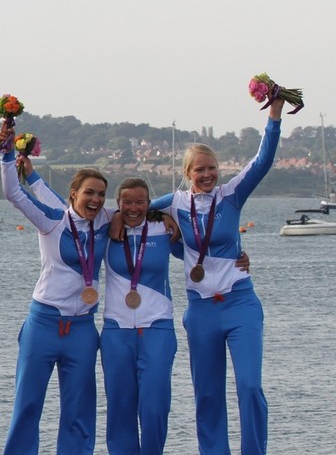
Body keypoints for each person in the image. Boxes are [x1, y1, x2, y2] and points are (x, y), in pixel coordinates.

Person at [147, 98, 283, 455]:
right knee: (207, 395)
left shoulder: (231, 195)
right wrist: (168, 230)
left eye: (212, 169)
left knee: (250, 386)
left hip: (240, 304)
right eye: (199, 171)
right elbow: (135, 210)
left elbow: (262, 161)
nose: (207, 175)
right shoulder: (174, 202)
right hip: (201, 310)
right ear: (188, 173)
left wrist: (274, 113)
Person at [104, 179, 253, 455]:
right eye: (126, 203)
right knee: (120, 407)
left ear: (149, 204)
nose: (133, 208)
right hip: (116, 330)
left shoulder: (165, 229)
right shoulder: (106, 231)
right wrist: (114, 217)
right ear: (118, 204)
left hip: (158, 328)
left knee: (154, 407)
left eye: (140, 202)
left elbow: (206, 250)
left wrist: (239, 257)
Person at [0, 123, 111, 455]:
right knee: (27, 408)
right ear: (74, 195)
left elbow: (141, 210)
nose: (96, 199)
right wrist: (6, 153)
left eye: (101, 194)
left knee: (79, 413)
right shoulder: (52, 220)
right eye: (89, 192)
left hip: (83, 331)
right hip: (43, 326)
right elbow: (13, 195)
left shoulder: (105, 220)